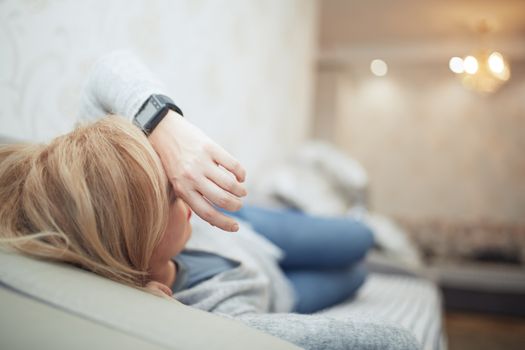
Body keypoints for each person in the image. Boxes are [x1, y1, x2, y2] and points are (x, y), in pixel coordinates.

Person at [0, 54, 417, 350]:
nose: (182, 185)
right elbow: (396, 342)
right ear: (136, 242)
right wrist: (168, 319)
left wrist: (166, 127)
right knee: (358, 277)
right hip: (282, 291)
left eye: (166, 171)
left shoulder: (94, 176)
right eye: (168, 192)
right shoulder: (213, 314)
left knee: (361, 236)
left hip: (251, 229)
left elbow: (105, 72)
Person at [80, 51, 247, 233]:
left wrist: (161, 121)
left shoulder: (85, 155)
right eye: (169, 197)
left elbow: (106, 70)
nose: (175, 190)